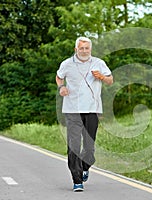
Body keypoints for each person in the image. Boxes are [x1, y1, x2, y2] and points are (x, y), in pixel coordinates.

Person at [56, 36, 113, 192]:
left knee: (89, 148)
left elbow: (110, 80)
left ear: (90, 49)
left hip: (92, 109)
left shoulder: (98, 63)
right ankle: (77, 179)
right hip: (72, 110)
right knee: (74, 146)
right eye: (81, 48)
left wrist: (101, 77)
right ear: (76, 49)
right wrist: (61, 88)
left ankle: (85, 165)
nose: (84, 51)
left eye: (87, 48)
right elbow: (59, 77)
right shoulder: (67, 64)